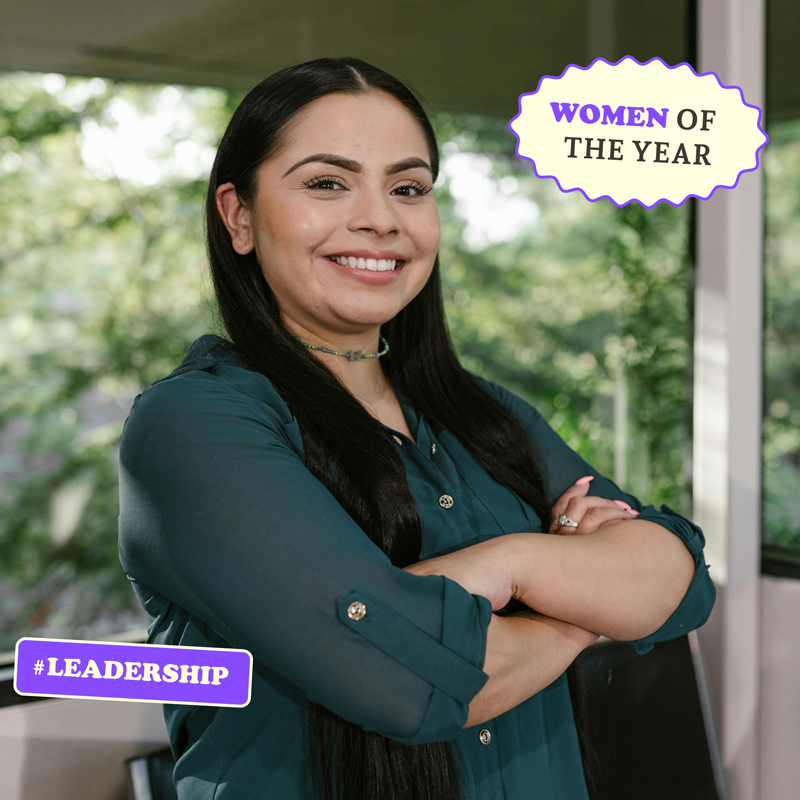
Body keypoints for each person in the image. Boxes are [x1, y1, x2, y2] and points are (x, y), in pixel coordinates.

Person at [117, 57, 716, 800]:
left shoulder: (482, 415)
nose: (381, 218)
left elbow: (681, 581)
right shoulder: (195, 426)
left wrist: (506, 566)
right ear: (239, 216)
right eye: (327, 182)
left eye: (408, 188)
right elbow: (405, 680)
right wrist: (579, 606)